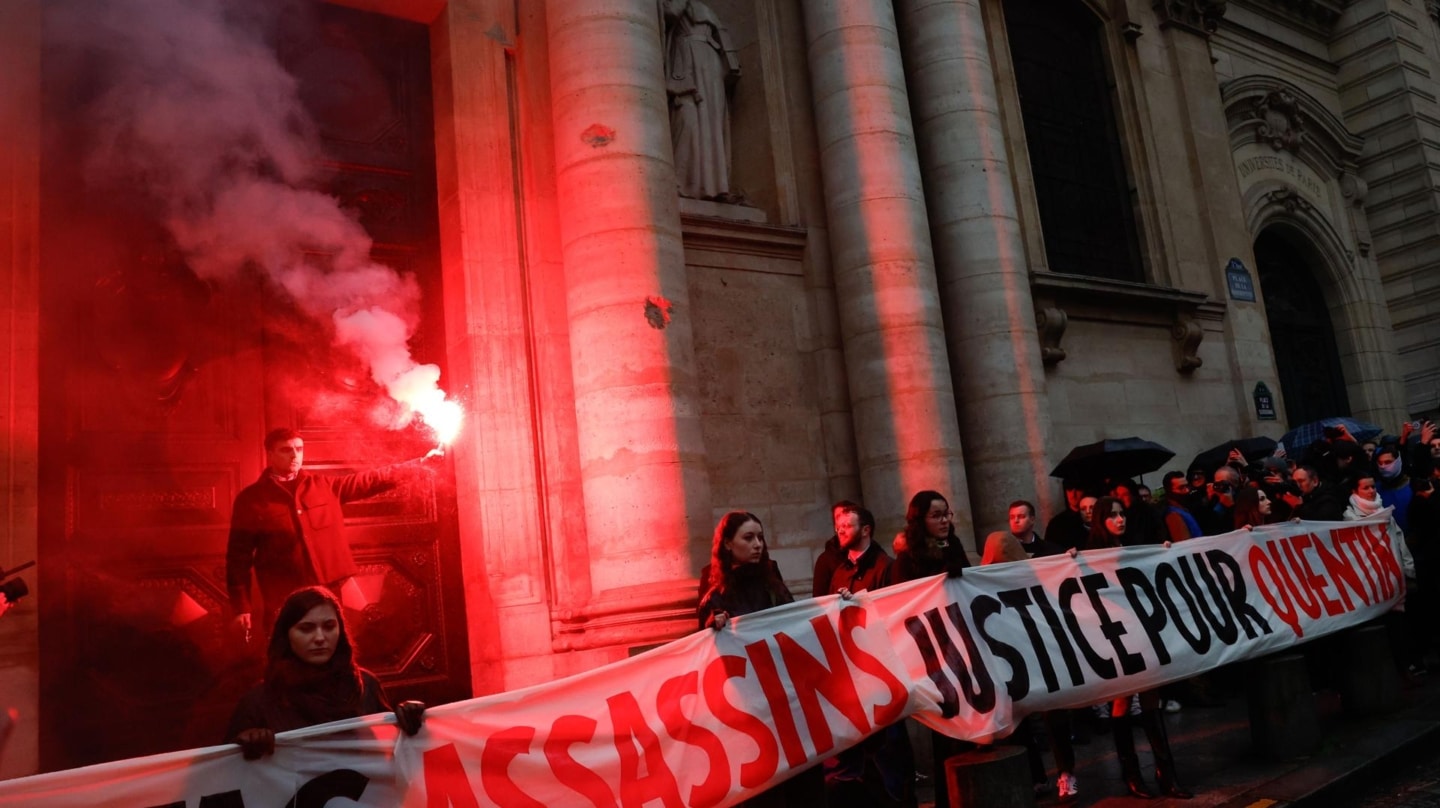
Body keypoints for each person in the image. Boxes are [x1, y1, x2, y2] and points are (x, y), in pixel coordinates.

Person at [226, 428, 433, 640]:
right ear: (269, 454)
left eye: (299, 449)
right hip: (283, 597)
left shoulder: (323, 486)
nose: (295, 456)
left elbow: (370, 480)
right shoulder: (250, 500)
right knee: (288, 659)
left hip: (327, 593)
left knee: (333, 652)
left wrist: (419, 466)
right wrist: (242, 607)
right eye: (286, 450)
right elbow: (237, 558)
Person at [1070, 498, 1193, 800]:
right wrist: (1071, 559)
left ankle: (1166, 773)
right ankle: (1132, 774)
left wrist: (1162, 552)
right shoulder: (1090, 554)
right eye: (1112, 515)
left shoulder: (1133, 547)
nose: (1120, 519)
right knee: (1123, 699)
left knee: (1151, 694)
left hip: (1141, 629)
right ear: (1101, 520)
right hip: (1115, 635)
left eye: (1121, 513)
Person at [699, 512, 823, 805]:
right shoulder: (715, 589)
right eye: (748, 537)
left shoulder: (772, 579)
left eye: (760, 537)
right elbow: (705, 642)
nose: (757, 544)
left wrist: (839, 605)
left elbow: (795, 624)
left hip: (785, 698)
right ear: (728, 544)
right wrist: (713, 625)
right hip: (748, 705)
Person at [224, 587, 424, 759]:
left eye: (329, 626)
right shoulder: (258, 701)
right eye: (306, 629)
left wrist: (409, 720)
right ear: (286, 635)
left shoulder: (365, 685)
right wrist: (245, 744)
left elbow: (391, 752)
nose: (320, 638)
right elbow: (224, 775)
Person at [662, 0, 740, 200]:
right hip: (686, 60)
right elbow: (670, 15)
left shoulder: (707, 10)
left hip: (710, 63)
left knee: (712, 122)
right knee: (689, 118)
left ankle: (716, 186)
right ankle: (684, 182)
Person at [813, 500, 861, 598]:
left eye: (847, 517)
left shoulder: (877, 556)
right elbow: (820, 600)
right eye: (838, 518)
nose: (842, 524)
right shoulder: (826, 560)